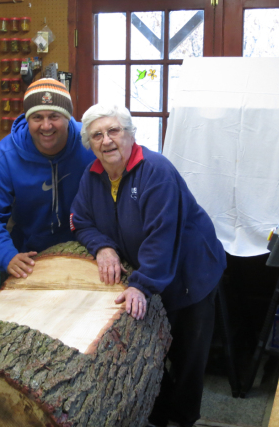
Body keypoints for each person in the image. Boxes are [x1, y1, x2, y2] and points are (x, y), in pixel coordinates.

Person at [70, 104, 226, 427]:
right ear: (90, 144)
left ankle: (182, 419)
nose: (107, 141)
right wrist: (103, 248)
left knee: (186, 358)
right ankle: (158, 415)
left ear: (130, 134)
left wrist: (140, 284)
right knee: (149, 351)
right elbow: (81, 221)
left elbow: (162, 235)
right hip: (151, 272)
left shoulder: (156, 171)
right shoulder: (92, 176)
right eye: (97, 135)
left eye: (114, 131)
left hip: (190, 271)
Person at [0, 78, 95, 279]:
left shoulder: (90, 143)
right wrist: (6, 255)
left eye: (54, 116)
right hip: (28, 257)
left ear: (68, 117)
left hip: (84, 252)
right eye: (37, 117)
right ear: (27, 118)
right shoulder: (6, 155)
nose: (46, 126)